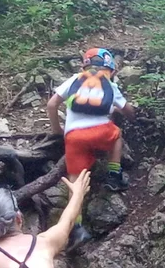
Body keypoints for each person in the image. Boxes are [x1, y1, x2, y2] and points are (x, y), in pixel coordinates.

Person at [46, 47, 128, 247]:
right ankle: (114, 174)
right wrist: (132, 115)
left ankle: (76, 228)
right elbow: (126, 109)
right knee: (117, 135)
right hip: (102, 132)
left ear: (84, 66)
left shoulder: (74, 80)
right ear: (111, 70)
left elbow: (51, 104)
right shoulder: (109, 85)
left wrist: (57, 130)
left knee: (76, 182)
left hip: (74, 137)